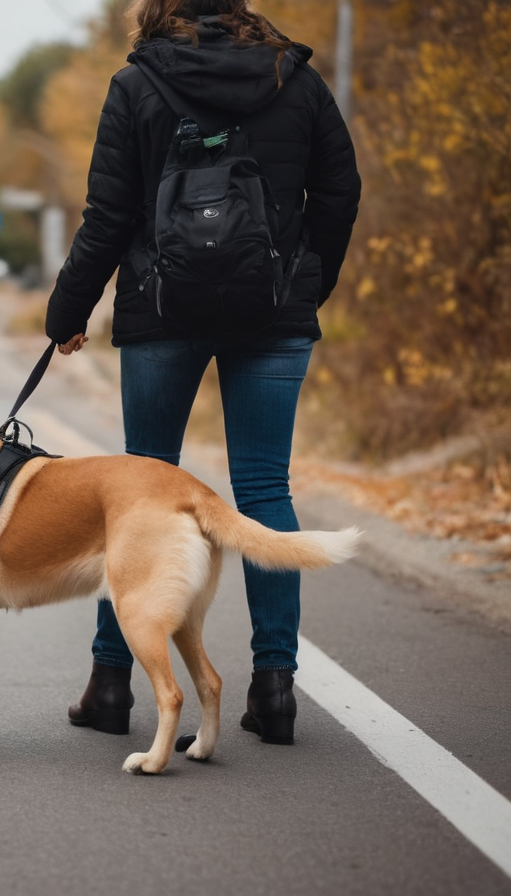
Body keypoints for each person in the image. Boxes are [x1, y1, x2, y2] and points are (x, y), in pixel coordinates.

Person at [45, 0, 361, 745]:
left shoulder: (137, 84)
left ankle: (112, 682)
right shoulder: (297, 77)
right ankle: (275, 686)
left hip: (163, 310)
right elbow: (340, 193)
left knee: (136, 493)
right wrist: (307, 282)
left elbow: (107, 213)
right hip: (274, 308)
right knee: (263, 489)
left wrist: (69, 308)